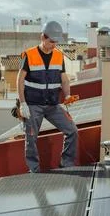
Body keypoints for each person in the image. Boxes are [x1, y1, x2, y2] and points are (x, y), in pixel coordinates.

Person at [16, 21, 79, 173]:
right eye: (51, 42)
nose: (53, 45)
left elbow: (64, 79)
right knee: (31, 138)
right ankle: (34, 171)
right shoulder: (28, 55)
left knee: (72, 131)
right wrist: (23, 104)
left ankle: (66, 164)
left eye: (56, 42)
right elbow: (20, 80)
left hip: (52, 105)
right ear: (43, 37)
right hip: (32, 105)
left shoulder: (59, 56)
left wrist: (68, 94)